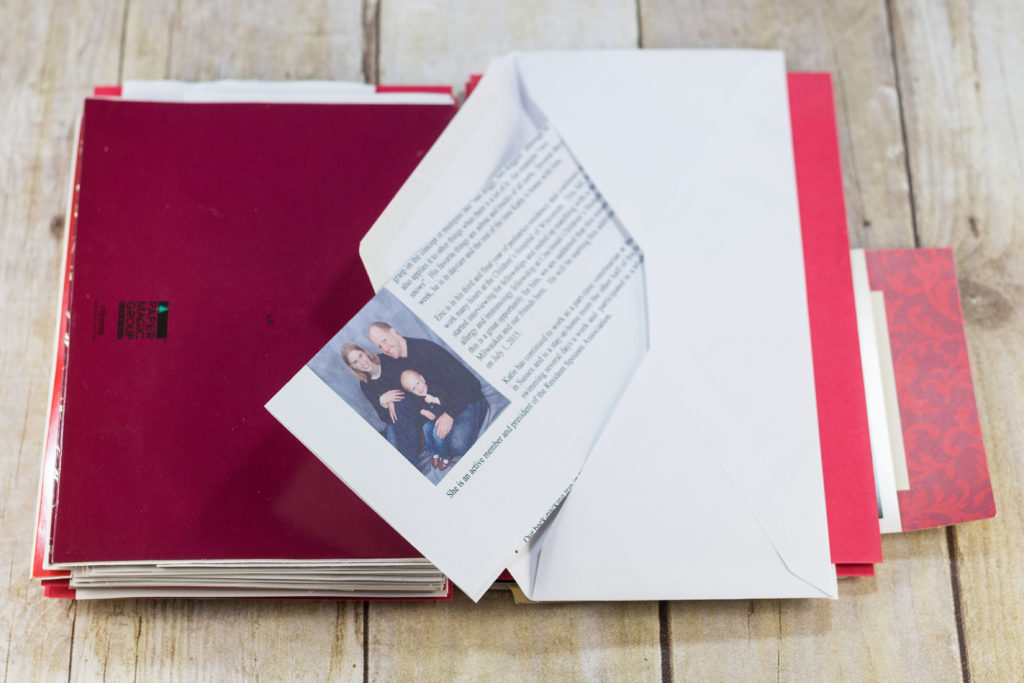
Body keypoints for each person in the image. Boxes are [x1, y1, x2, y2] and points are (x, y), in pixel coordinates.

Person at [367, 322, 487, 465]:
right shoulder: (396, 363)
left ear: (394, 332)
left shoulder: (427, 350)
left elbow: (472, 385)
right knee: (415, 425)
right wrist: (383, 399)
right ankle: (395, 455)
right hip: (436, 409)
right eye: (379, 346)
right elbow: (392, 392)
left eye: (384, 341)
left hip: (464, 399)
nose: (385, 349)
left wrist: (449, 414)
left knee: (458, 446)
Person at [340, 342, 425, 463]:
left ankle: (412, 463)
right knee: (389, 452)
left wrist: (392, 401)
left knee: (405, 455)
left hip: (416, 408)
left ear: (365, 352)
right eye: (355, 362)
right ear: (353, 367)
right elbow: (383, 417)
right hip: (395, 421)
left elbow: (414, 388)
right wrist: (382, 402)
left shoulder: (387, 360)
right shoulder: (365, 384)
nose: (362, 363)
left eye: (360, 356)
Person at [400, 369, 451, 470]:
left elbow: (449, 400)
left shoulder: (435, 388)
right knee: (426, 428)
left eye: (418, 383)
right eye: (414, 389)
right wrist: (422, 412)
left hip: (445, 417)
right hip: (433, 421)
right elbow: (417, 410)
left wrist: (435, 400)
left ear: (422, 378)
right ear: (411, 392)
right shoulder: (418, 398)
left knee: (437, 434)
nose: (418, 389)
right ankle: (434, 453)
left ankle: (445, 456)